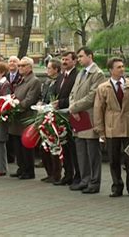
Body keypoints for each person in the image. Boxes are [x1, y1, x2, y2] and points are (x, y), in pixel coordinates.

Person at [94, 58, 129, 198]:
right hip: (111, 127)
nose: (122, 69)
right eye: (118, 67)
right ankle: (117, 186)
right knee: (113, 159)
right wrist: (100, 130)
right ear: (111, 70)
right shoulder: (103, 88)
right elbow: (98, 109)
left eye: (123, 66)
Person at [68, 47, 106, 194]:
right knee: (81, 150)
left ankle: (94, 182)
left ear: (90, 56)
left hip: (89, 117)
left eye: (81, 56)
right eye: (78, 57)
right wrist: (73, 107)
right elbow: (73, 92)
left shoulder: (97, 74)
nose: (79, 59)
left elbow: (92, 96)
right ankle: (84, 180)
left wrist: (75, 108)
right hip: (77, 117)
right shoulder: (81, 73)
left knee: (92, 152)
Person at [8, 57, 42, 180]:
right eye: (20, 65)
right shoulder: (21, 80)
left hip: (26, 118)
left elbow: (30, 99)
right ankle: (21, 168)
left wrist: (16, 106)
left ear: (30, 67)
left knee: (26, 146)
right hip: (17, 118)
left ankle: (28, 170)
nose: (20, 67)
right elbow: (17, 95)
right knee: (17, 146)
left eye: (23, 65)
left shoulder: (34, 81)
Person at [51, 51, 80, 186]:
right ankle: (67, 174)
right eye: (62, 59)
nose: (64, 62)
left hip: (72, 115)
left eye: (67, 59)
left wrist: (61, 103)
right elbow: (56, 92)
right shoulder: (61, 76)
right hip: (60, 116)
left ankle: (77, 176)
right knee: (64, 147)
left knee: (74, 149)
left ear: (74, 61)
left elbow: (76, 96)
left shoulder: (77, 75)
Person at [38, 59, 61, 183]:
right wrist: (40, 103)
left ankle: (56, 174)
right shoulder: (46, 82)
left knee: (54, 146)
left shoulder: (59, 82)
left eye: (49, 68)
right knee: (44, 146)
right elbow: (43, 97)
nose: (47, 70)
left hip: (54, 117)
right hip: (44, 115)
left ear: (56, 69)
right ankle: (49, 172)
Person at [5, 55, 21, 163]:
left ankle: (15, 156)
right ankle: (9, 156)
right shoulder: (5, 76)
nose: (12, 63)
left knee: (15, 134)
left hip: (16, 107)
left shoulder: (20, 77)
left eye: (14, 61)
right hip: (5, 107)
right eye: (10, 61)